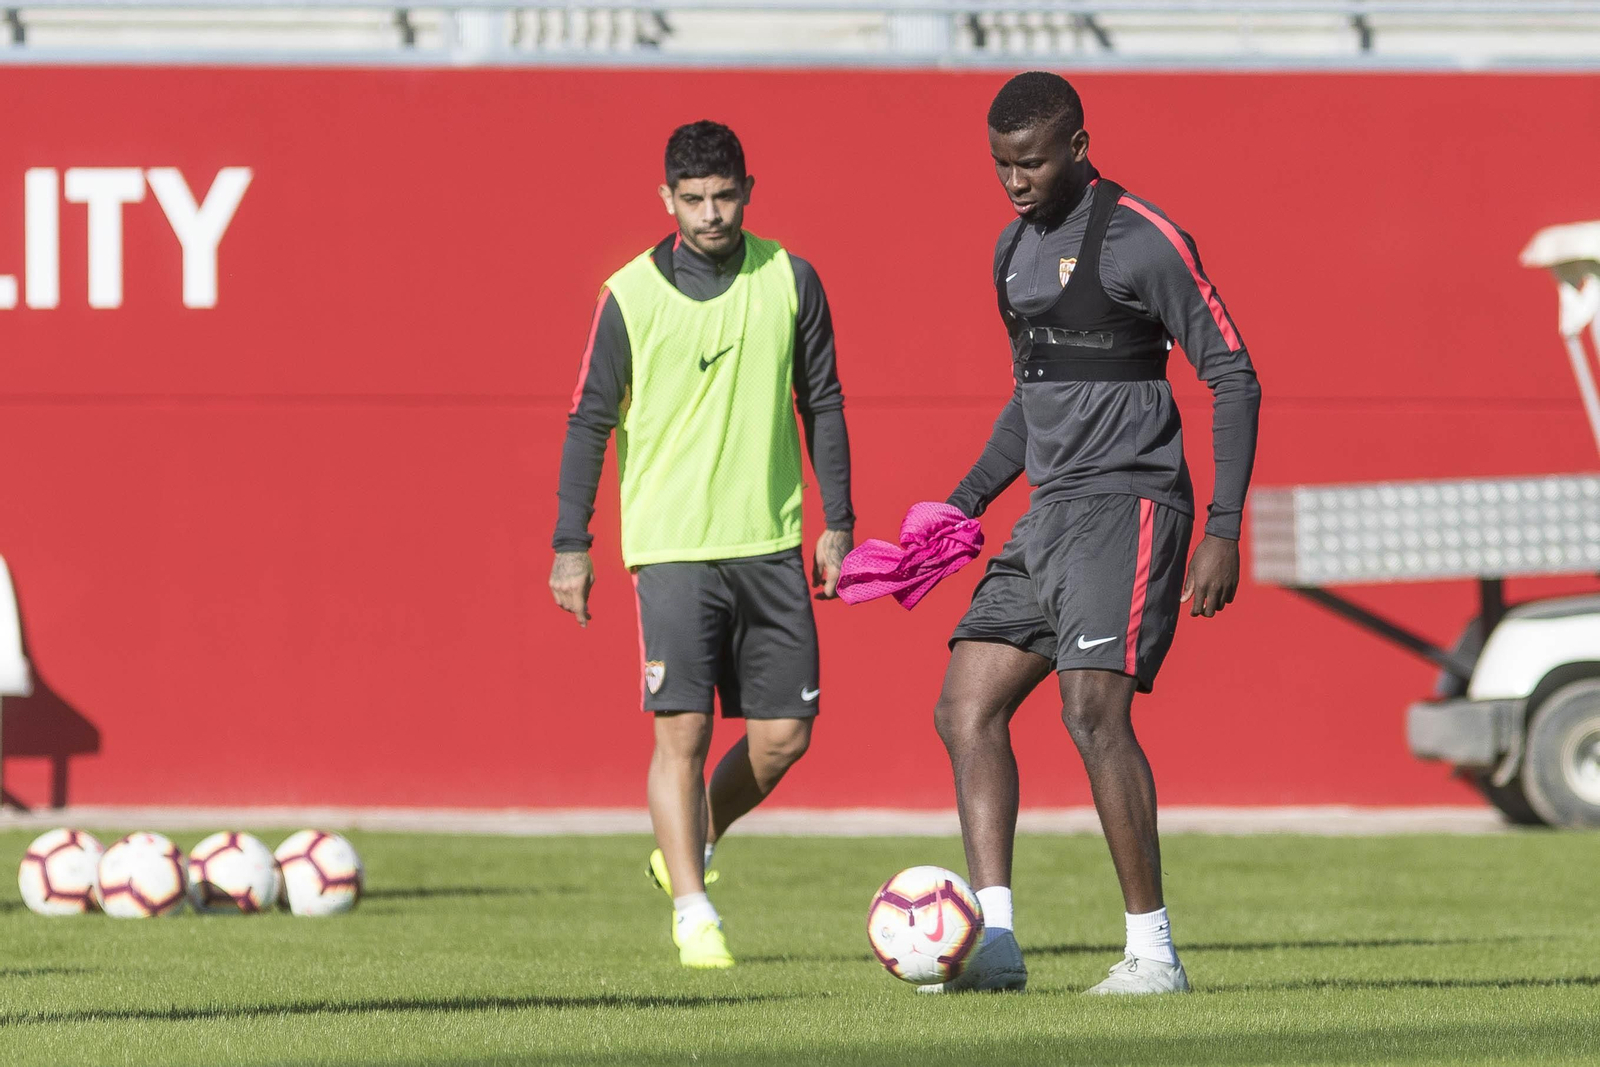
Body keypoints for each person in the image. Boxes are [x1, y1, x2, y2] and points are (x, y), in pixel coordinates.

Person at [922, 72, 1261, 995]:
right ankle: (994, 942)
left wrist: (1223, 528)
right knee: (965, 708)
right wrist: (961, 504)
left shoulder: (1146, 240)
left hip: (1131, 503)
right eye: (1000, 165)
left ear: (1077, 145)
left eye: (1030, 162)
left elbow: (1233, 374)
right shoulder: (1009, 252)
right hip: (1050, 514)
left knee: (1091, 711)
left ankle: (1154, 953)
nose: (1015, 181)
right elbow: (1030, 402)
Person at [549, 120, 854, 969]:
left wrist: (840, 523)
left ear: (748, 190)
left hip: (771, 540)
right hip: (673, 546)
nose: (711, 213)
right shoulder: (630, 295)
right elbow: (587, 422)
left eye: (724, 196)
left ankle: (687, 839)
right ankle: (693, 910)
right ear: (667, 199)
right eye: (694, 199)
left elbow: (822, 401)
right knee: (680, 732)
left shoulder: (790, 279)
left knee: (784, 737)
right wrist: (572, 544)